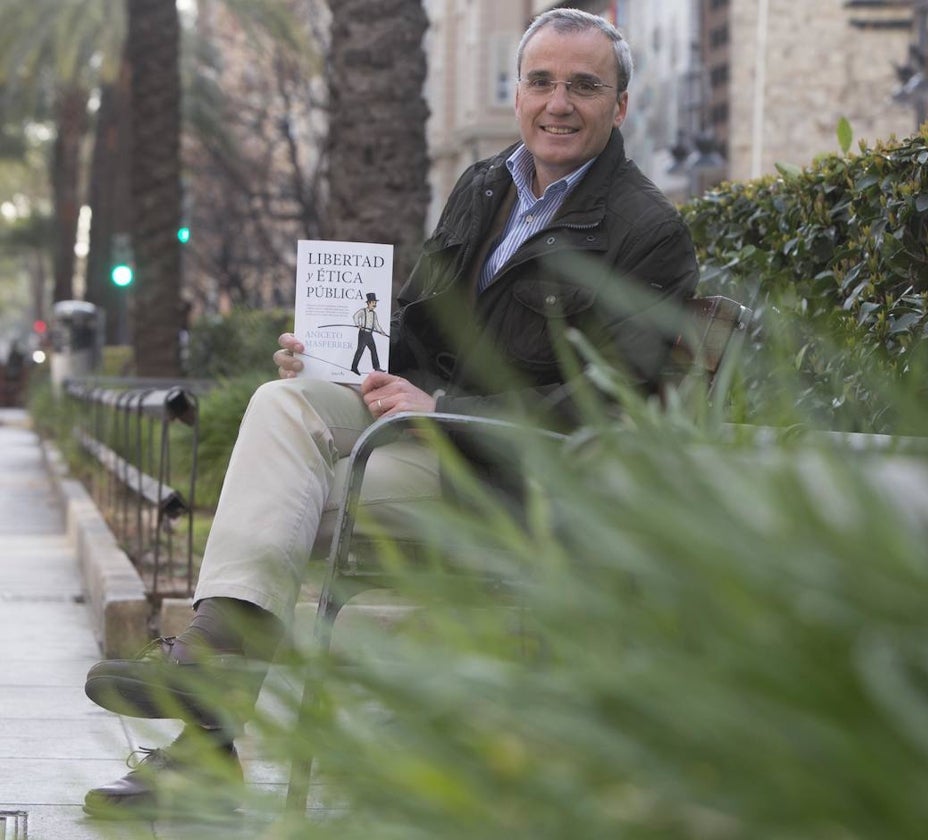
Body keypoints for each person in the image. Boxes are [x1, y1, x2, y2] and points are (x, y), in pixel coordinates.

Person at [81, 7, 699, 818]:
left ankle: (204, 726)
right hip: (428, 442)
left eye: (585, 86)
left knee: (285, 492)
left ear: (620, 106)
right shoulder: (485, 188)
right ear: (516, 92)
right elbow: (414, 331)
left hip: (515, 486)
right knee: (285, 401)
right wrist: (337, 358)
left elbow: (604, 409)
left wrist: (445, 409)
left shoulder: (648, 233)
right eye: (541, 81)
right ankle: (208, 670)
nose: (559, 103)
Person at [349, 292, 384, 374]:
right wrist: (358, 324)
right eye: (373, 303)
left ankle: (377, 367)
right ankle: (354, 368)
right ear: (368, 303)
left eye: (375, 303)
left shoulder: (374, 314)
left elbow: (376, 325)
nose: (374, 304)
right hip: (363, 334)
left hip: (369, 334)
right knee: (360, 350)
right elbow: (355, 316)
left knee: (373, 350)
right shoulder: (363, 311)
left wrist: (381, 331)